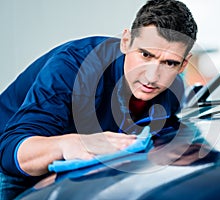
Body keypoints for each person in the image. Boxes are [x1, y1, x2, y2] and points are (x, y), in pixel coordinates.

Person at [0, 0, 198, 198]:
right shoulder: (73, 67)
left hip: (80, 168)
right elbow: (11, 151)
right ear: (126, 42)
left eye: (170, 63)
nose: (152, 77)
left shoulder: (173, 91)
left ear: (183, 64)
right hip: (11, 165)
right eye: (145, 55)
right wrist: (69, 144)